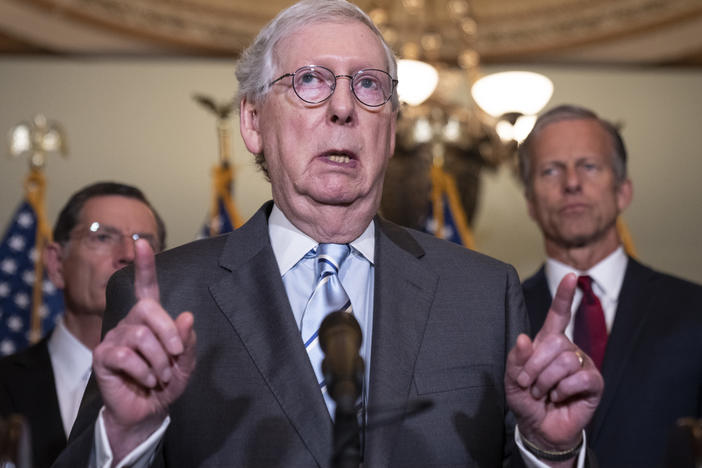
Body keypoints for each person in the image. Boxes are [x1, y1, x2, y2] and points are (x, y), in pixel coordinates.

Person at [56, 2, 603, 467]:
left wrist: (548, 450)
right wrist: (125, 439)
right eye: (311, 81)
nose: (343, 108)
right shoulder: (168, 296)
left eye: (368, 86)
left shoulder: (483, 295)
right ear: (252, 122)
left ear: (390, 130)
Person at [519, 104, 702, 467]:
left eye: (589, 166)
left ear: (623, 192)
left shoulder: (694, 310)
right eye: (551, 170)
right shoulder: (499, 316)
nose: (571, 183)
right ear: (530, 203)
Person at [0, 181, 165, 468]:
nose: (128, 253)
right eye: (102, 237)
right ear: (55, 263)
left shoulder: (189, 390)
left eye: (143, 241)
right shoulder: (4, 383)